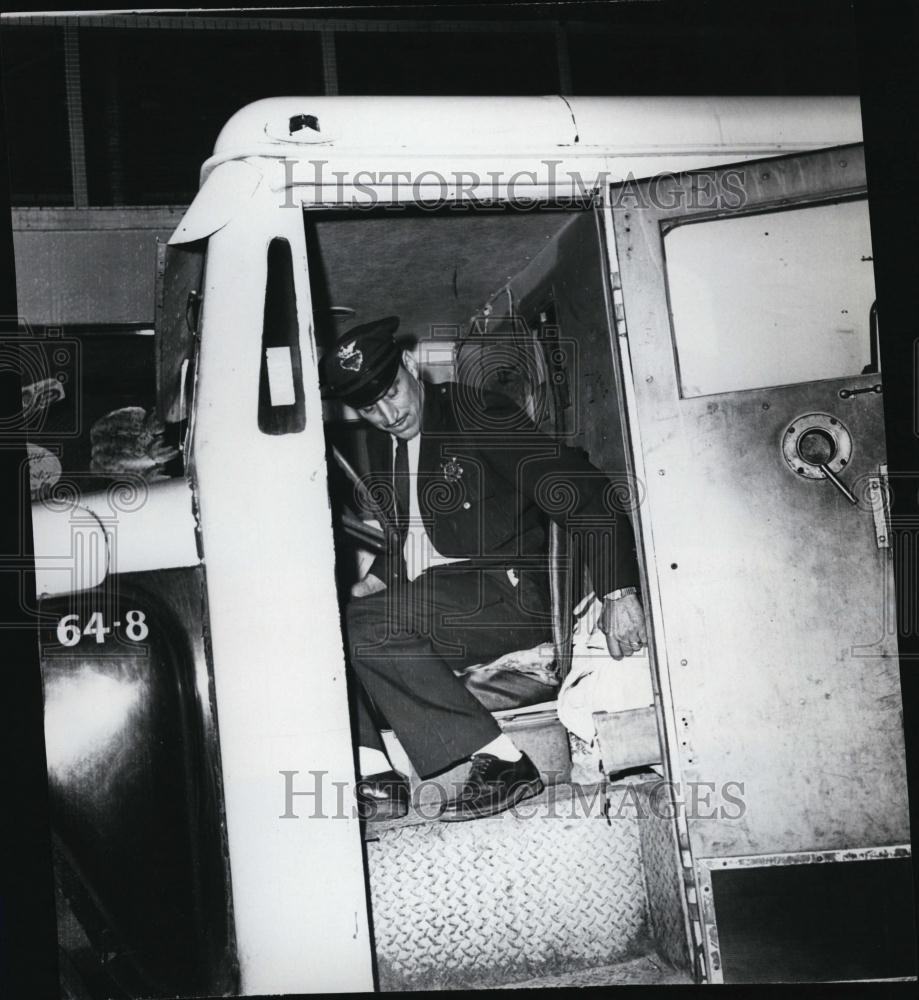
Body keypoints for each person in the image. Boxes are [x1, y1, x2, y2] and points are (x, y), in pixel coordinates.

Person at [321, 316, 646, 822]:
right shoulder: (390, 448)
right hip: (442, 598)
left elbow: (583, 488)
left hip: (507, 593)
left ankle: (501, 761)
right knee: (331, 625)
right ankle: (374, 774)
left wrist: (618, 591)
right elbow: (414, 536)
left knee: (366, 625)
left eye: (392, 393)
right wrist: (373, 581)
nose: (388, 413)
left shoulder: (475, 413)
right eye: (370, 407)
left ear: (411, 366)